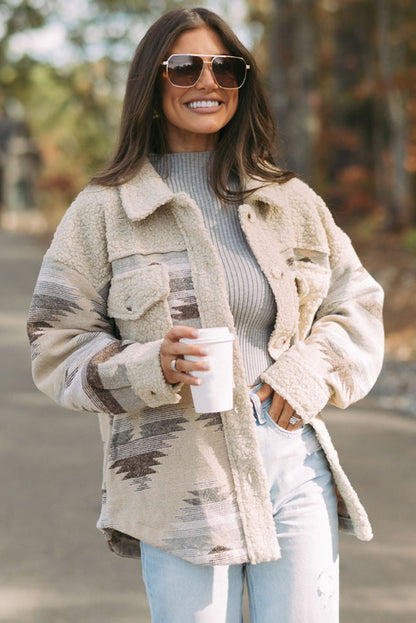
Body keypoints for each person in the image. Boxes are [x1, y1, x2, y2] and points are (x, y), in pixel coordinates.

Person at [27, 6, 384, 623]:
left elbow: (357, 304)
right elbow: (54, 342)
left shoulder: (289, 200)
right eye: (184, 67)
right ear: (151, 82)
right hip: (177, 480)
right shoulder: (104, 212)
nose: (207, 81)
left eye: (226, 68)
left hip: (291, 460)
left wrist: (309, 373)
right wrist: (147, 365)